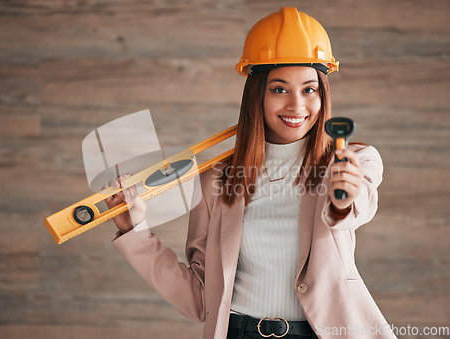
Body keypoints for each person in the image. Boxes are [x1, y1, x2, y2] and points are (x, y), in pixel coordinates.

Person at [104, 7, 396, 339]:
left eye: (309, 89)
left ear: (323, 93)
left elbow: (354, 209)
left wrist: (344, 194)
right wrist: (135, 231)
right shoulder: (216, 181)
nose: (297, 106)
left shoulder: (355, 160)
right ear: (257, 93)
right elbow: (201, 298)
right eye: (279, 89)